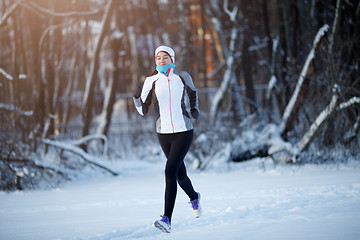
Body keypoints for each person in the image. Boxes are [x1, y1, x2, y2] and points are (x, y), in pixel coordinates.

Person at [133, 45, 201, 233]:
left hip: (183, 131)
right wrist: (136, 98)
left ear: (172, 58)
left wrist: (194, 108)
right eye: (158, 58)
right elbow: (143, 110)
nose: (161, 61)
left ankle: (166, 219)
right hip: (163, 133)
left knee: (169, 171)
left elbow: (193, 92)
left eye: (165, 57)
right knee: (180, 175)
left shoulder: (182, 76)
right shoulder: (151, 81)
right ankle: (194, 197)